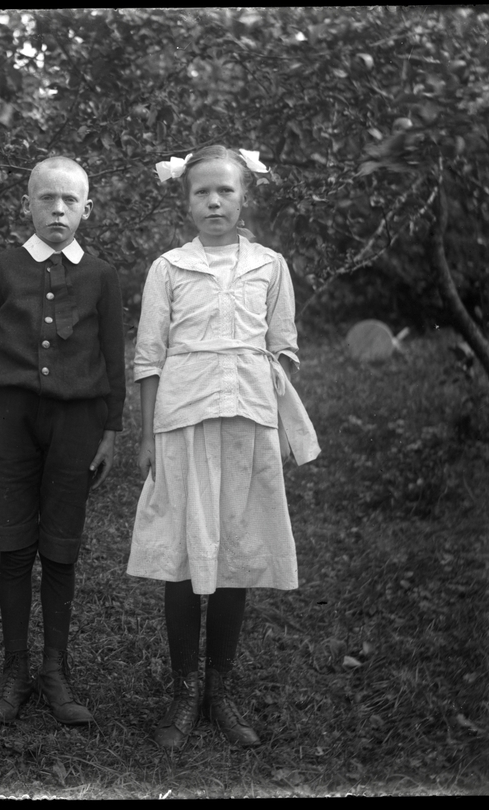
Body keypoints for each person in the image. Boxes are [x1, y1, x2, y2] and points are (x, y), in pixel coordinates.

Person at [129, 146, 320, 749]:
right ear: (184, 201)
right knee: (186, 550)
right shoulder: (168, 268)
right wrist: (148, 434)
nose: (213, 202)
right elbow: (149, 357)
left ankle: (220, 690)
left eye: (226, 192)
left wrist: (275, 409)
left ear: (245, 198)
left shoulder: (270, 266)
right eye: (200, 193)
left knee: (236, 548)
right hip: (183, 419)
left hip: (247, 420)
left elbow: (283, 346)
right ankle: (185, 690)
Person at [0, 156, 126, 726]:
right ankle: (14, 670)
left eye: (70, 201)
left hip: (77, 424)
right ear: (27, 204)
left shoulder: (101, 275)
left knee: (60, 543)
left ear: (86, 209)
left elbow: (114, 360)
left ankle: (55, 670)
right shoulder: (1, 269)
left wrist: (111, 429)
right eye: (47, 199)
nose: (58, 209)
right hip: (9, 419)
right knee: (13, 543)